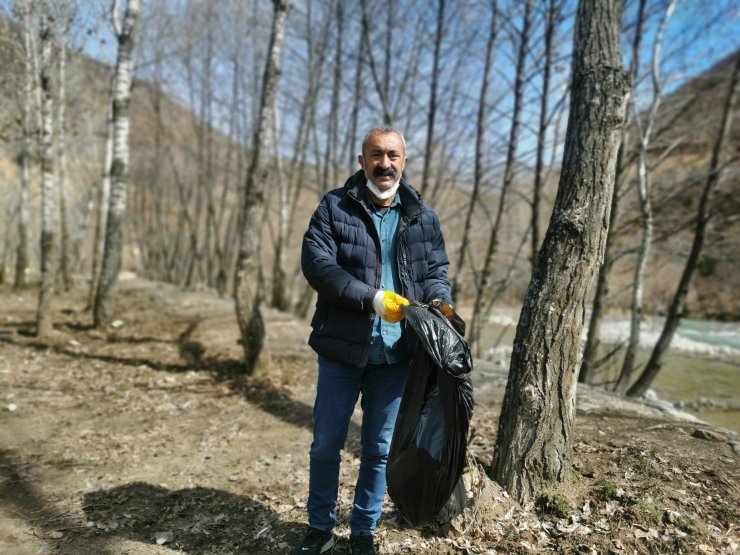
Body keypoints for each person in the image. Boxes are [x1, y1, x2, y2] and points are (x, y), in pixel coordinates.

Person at [293, 127, 453, 555]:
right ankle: (320, 528)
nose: (385, 163)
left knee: (380, 449)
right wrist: (372, 298)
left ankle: (363, 532)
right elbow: (318, 266)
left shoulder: (423, 216)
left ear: (405, 160)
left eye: (393, 155)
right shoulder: (334, 206)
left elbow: (436, 270)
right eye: (376, 155)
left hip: (399, 354)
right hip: (342, 349)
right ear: (362, 160)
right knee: (327, 443)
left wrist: (439, 300)